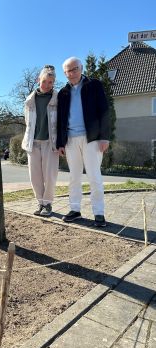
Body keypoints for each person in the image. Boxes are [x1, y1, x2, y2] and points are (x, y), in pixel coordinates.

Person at [57, 57, 110, 227]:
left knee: (94, 176)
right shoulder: (62, 92)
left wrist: (104, 136)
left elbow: (104, 111)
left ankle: (99, 213)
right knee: (74, 177)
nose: (71, 74)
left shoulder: (94, 85)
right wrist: (60, 143)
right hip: (70, 140)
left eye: (74, 69)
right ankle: (75, 209)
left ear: (81, 68)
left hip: (92, 138)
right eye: (67, 71)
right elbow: (60, 120)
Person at [21, 65, 59, 217]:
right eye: (44, 81)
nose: (47, 85)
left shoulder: (58, 98)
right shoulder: (29, 100)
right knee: (35, 175)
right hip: (33, 142)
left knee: (49, 175)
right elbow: (27, 121)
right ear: (39, 80)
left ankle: (48, 203)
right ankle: (40, 202)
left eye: (51, 82)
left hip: (51, 142)